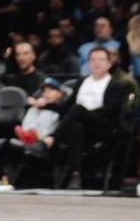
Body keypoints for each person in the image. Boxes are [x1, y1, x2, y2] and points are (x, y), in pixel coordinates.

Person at [26, 47, 128, 189]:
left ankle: (51, 139)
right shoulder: (81, 82)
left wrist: (84, 113)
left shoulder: (117, 85)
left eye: (101, 59)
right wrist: (47, 103)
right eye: (93, 60)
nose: (97, 63)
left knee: (78, 109)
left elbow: (111, 111)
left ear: (109, 63)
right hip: (80, 125)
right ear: (88, 63)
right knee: (77, 127)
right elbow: (66, 108)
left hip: (103, 127)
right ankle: (76, 175)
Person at [14, 77, 68, 144]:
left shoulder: (65, 101)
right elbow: (30, 102)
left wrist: (45, 105)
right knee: (33, 109)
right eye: (45, 91)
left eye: (51, 90)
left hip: (49, 135)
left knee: (47, 112)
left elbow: (61, 108)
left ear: (60, 93)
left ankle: (34, 136)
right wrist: (35, 104)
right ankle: (26, 133)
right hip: (35, 132)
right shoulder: (42, 103)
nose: (47, 93)